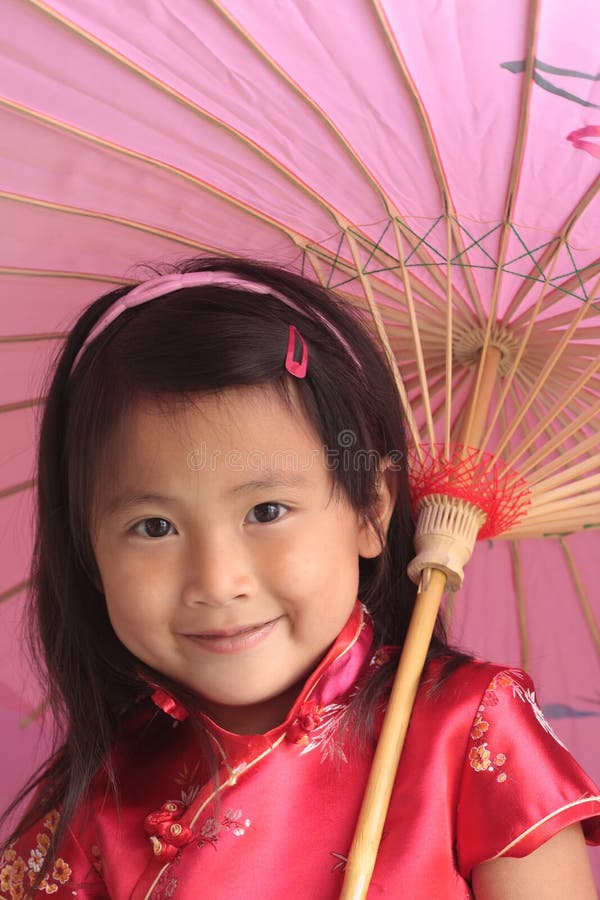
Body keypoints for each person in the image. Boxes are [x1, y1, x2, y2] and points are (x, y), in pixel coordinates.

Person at [1, 256, 598, 900]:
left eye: (266, 511)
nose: (217, 580)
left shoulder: (470, 731)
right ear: (88, 548)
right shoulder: (93, 806)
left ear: (371, 509)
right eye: (154, 527)